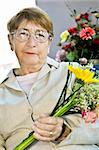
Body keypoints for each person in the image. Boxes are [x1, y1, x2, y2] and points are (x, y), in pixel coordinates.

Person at [0, 7, 99, 150]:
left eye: (40, 35)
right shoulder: (2, 92)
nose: (31, 43)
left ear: (49, 42)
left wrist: (64, 131)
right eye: (23, 34)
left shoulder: (74, 74)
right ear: (11, 40)